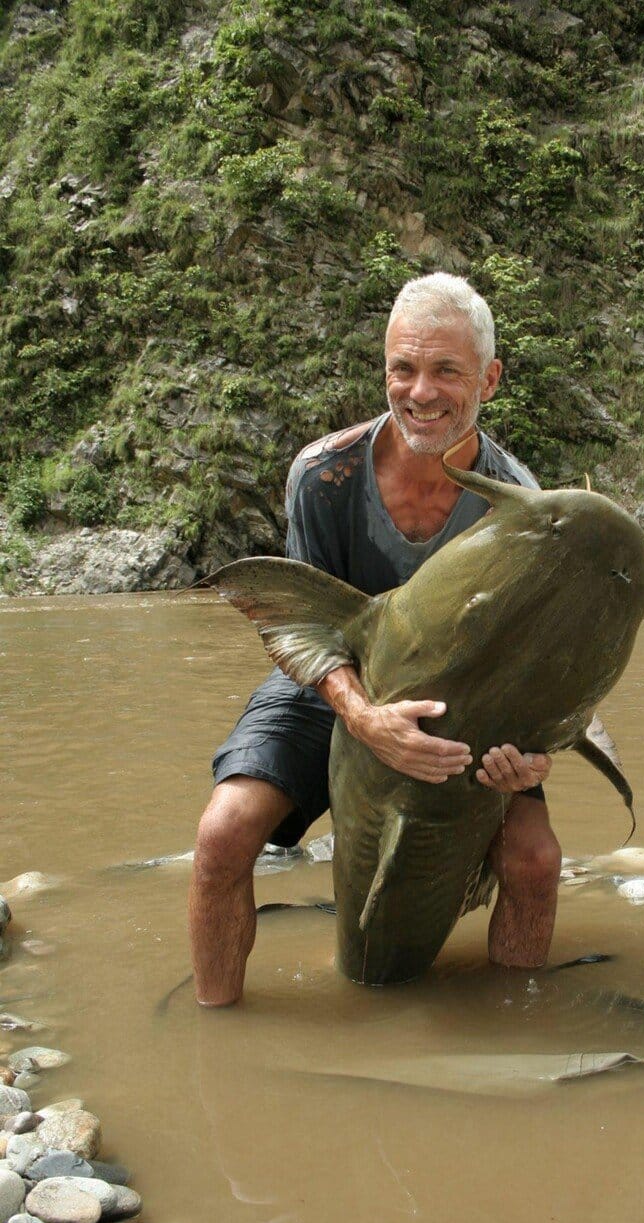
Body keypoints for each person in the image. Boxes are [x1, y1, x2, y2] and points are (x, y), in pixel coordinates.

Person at [189, 273, 562, 1005]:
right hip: (335, 677)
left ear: (489, 378)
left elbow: (534, 657)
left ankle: (515, 1039)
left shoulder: (524, 504)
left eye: (446, 370)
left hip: (455, 698)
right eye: (403, 368)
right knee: (222, 834)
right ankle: (214, 1033)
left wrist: (537, 750)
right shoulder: (323, 475)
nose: (420, 392)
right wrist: (362, 718)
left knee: (534, 860)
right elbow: (301, 626)